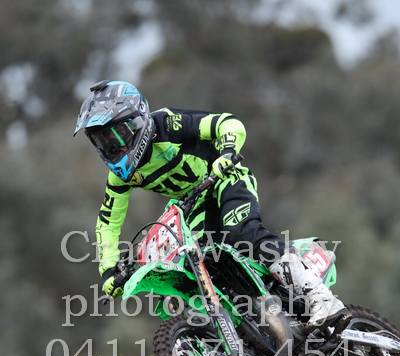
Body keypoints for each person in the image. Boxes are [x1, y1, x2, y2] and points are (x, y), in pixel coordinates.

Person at [74, 79, 349, 329]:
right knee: (190, 266)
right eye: (103, 142)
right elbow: (108, 222)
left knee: (243, 232)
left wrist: (227, 152)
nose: (114, 148)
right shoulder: (120, 176)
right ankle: (241, 336)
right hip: (192, 206)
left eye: (118, 135)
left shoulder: (169, 124)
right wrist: (108, 270)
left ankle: (319, 297)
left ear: (138, 120)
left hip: (224, 179)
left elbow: (227, 123)